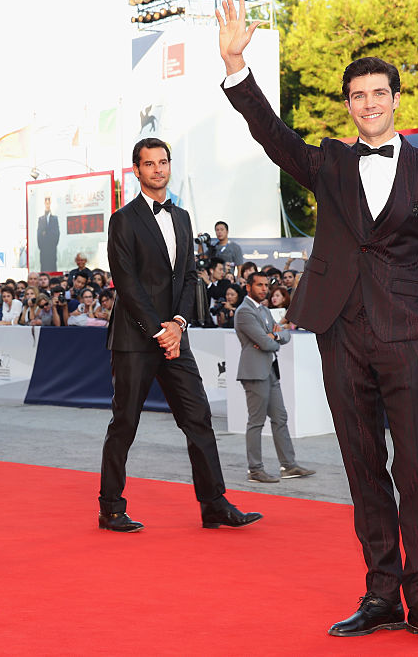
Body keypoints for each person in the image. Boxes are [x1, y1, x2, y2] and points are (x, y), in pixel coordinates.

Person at [217, 0, 418, 645]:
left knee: (417, 467)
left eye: (378, 92)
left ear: (395, 98)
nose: (367, 103)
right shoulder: (328, 162)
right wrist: (236, 66)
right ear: (349, 104)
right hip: (343, 335)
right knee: (362, 465)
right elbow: (274, 137)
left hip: (411, 338)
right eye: (356, 95)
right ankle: (381, 592)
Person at [98, 136, 262, 534]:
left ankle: (213, 504)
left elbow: (190, 277)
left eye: (164, 162)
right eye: (149, 164)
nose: (158, 169)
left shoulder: (183, 218)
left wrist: (178, 325)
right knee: (126, 423)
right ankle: (110, 507)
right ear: (136, 171)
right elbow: (128, 284)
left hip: (175, 336)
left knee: (198, 418)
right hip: (136, 340)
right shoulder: (123, 220)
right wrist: (159, 329)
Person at [235, 272, 315, 483]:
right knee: (256, 422)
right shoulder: (244, 312)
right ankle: (255, 469)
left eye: (266, 285)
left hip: (269, 370)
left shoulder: (263, 310)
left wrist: (275, 335)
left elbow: (284, 335)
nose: (264, 289)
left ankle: (288, 466)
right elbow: (266, 343)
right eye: (259, 285)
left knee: (280, 418)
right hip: (254, 372)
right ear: (248, 287)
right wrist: (271, 337)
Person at [36, 195, 60, 272]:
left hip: (52, 248)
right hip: (43, 249)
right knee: (44, 267)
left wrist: (46, 234)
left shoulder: (54, 218)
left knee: (52, 266)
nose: (47, 205)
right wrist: (42, 245)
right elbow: (39, 234)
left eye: (48, 203)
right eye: (46, 203)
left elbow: (56, 233)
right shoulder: (41, 219)